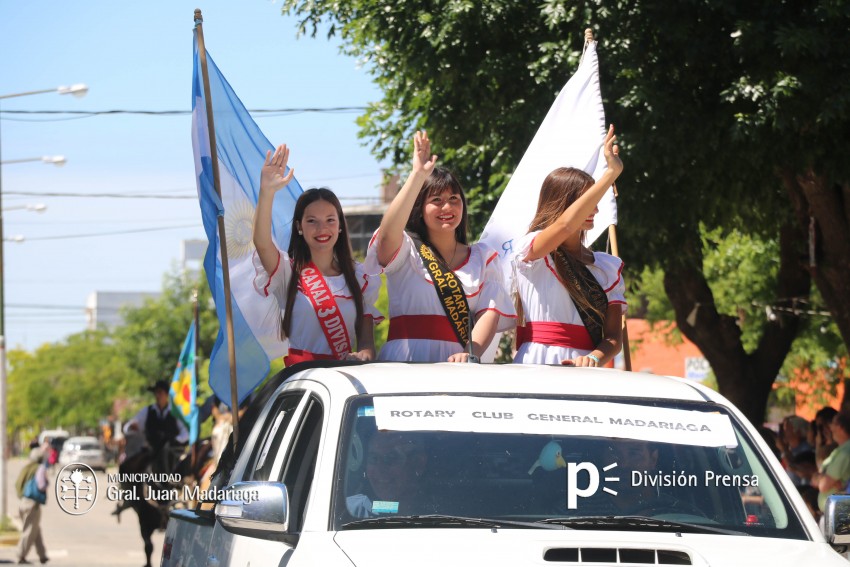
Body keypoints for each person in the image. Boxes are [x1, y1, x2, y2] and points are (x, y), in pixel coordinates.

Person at [366, 130, 516, 362]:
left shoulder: (483, 257)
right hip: (403, 363)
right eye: (436, 200)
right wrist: (417, 175)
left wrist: (469, 354)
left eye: (454, 199)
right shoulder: (407, 250)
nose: (447, 207)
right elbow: (386, 237)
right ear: (420, 208)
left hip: (458, 364)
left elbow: (489, 314)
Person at [253, 144, 381, 365]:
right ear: (299, 227)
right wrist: (267, 191)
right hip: (303, 378)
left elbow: (367, 345)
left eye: (330, 220)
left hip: (343, 378)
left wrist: (363, 356)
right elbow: (262, 243)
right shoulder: (287, 271)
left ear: (340, 226)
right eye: (312, 221)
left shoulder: (360, 277)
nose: (322, 229)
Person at [512, 125, 626, 366]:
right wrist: (610, 174)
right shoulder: (533, 250)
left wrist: (594, 358)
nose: (594, 209)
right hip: (537, 361)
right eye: (586, 202)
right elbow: (564, 226)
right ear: (561, 203)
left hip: (585, 367)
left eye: (595, 201)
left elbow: (614, 338)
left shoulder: (607, 266)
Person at [346, 431, 430, 518]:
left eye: (391, 458)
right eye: (374, 459)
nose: (380, 469)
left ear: (418, 463)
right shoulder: (348, 510)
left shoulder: (440, 511)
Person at [122, 380, 189, 475]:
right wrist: (132, 427)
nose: (157, 396)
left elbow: (185, 432)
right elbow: (129, 426)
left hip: (171, 452)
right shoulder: (147, 411)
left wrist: (175, 440)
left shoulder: (176, 412)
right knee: (129, 468)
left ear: (167, 395)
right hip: (151, 451)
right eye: (156, 393)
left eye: (160, 393)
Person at [16, 447, 49, 565]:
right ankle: (20, 555)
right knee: (30, 530)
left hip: (23, 502)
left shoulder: (27, 468)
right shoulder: (39, 468)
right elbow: (41, 485)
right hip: (32, 503)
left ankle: (42, 555)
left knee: (35, 529)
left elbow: (18, 484)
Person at [813, 411, 850, 512]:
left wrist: (822, 477)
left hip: (837, 515)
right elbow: (815, 477)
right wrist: (825, 478)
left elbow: (823, 485)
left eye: (832, 423)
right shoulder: (840, 450)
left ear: (840, 427)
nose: (829, 427)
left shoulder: (845, 452)